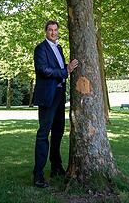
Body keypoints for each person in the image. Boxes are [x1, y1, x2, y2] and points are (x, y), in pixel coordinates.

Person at [32, 20, 78, 188]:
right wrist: (66, 70)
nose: (53, 32)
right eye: (50, 30)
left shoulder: (59, 48)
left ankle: (56, 167)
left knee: (58, 132)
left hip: (59, 95)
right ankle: (38, 174)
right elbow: (43, 70)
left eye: (55, 30)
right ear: (46, 32)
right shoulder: (40, 49)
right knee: (43, 134)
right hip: (47, 96)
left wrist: (67, 67)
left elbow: (58, 69)